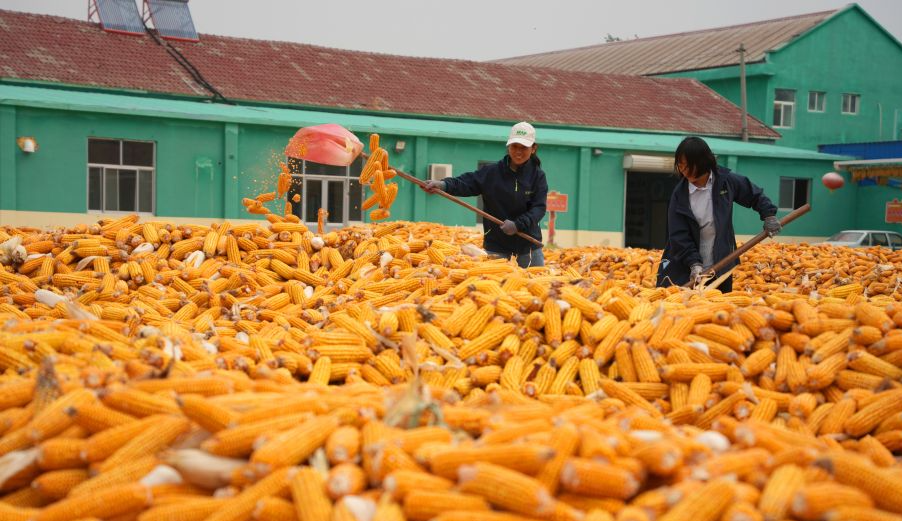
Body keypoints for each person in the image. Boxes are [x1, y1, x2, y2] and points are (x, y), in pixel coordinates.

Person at [656, 136, 782, 292]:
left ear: (701, 162)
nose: (682, 170)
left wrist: (769, 215)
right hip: (688, 269)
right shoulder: (679, 195)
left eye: (687, 166)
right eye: (680, 166)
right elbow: (678, 235)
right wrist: (694, 263)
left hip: (721, 264)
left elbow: (754, 195)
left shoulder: (726, 181)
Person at [422, 122, 548, 268]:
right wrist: (443, 185)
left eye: (524, 147)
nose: (518, 152)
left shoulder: (537, 176)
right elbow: (466, 183)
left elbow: (538, 209)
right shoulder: (491, 172)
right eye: (515, 146)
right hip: (496, 246)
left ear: (533, 148)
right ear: (508, 147)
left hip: (529, 247)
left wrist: (517, 225)